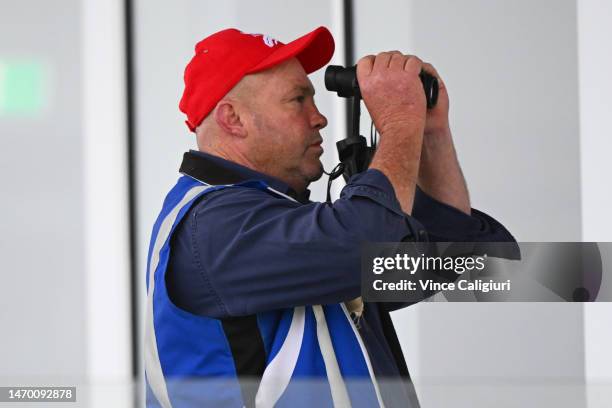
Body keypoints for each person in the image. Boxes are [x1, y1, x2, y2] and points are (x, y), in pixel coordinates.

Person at [144, 27, 515, 407]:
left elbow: (464, 262)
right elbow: (368, 239)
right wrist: (400, 119)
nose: (319, 118)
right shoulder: (213, 229)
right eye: (297, 100)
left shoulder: (288, 231)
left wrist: (430, 133)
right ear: (234, 120)